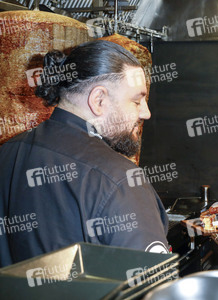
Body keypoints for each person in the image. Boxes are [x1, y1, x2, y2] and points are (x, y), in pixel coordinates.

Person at [0, 40, 169, 267]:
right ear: (99, 100)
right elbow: (153, 286)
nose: (146, 113)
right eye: (137, 101)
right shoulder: (119, 179)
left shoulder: (8, 151)